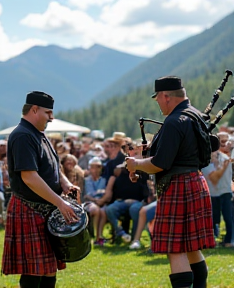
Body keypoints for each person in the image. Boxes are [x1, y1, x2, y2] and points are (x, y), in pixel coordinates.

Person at [126, 76, 215, 288]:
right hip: (194, 181)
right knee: (192, 247)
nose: (156, 103)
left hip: (179, 187)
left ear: (166, 96)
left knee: (176, 249)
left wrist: (136, 164)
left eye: (157, 98)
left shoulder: (175, 121)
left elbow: (160, 163)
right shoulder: (194, 115)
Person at [1, 91, 80, 288]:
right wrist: (60, 202)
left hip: (45, 208)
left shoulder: (39, 135)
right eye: (48, 112)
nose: (51, 118)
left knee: (48, 268)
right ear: (34, 110)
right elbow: (29, 177)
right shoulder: (22, 136)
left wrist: (65, 183)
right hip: (29, 208)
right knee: (33, 269)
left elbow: (53, 166)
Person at [83, 156, 107, 245]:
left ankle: (99, 236)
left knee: (103, 211)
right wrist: (97, 200)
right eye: (93, 167)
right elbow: (88, 195)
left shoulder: (104, 180)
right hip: (90, 202)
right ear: (90, 168)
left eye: (98, 167)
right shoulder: (86, 180)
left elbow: (105, 193)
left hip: (101, 201)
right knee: (96, 210)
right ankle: (95, 235)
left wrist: (102, 200)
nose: (95, 169)